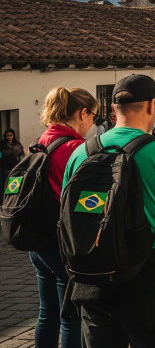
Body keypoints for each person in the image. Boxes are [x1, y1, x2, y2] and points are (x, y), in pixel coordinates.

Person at [62, 74, 155, 347]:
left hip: (92, 279)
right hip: (148, 280)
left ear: (113, 109)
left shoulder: (81, 153)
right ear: (152, 105)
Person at [27, 87, 98, 348]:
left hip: (38, 242)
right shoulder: (77, 149)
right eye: (93, 116)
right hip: (63, 245)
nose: (93, 123)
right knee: (72, 318)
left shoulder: (42, 140)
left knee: (47, 315)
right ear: (82, 113)